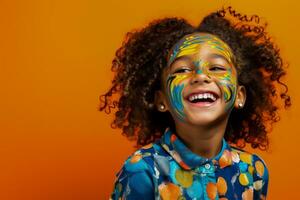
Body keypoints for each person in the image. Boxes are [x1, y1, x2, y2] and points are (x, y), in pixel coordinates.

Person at [100, 6, 291, 200]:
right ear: (161, 100)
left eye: (216, 67)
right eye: (182, 70)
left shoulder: (252, 170)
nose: (200, 76)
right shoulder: (143, 171)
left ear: (240, 96)